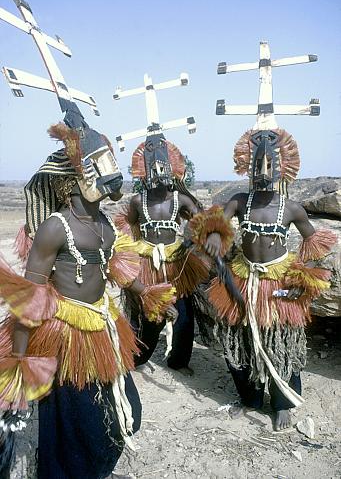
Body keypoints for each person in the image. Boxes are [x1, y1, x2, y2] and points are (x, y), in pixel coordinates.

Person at [0, 121, 175, 478]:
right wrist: (20, 363)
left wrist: (149, 296)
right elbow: (29, 298)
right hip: (64, 337)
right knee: (77, 423)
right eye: (99, 165)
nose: (112, 172)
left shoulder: (106, 225)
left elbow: (119, 273)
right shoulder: (55, 227)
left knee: (126, 413)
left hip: (103, 328)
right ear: (73, 179)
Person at [191, 128, 336, 430]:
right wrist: (216, 235)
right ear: (248, 166)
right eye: (258, 165)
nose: (264, 172)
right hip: (242, 281)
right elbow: (214, 221)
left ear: (284, 166)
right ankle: (250, 399)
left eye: (271, 165)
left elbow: (315, 246)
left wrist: (303, 277)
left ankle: (282, 402)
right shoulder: (240, 201)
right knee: (239, 341)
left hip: (277, 287)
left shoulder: (292, 208)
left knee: (281, 342)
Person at [115, 133, 226, 373]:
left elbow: (203, 222)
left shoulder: (181, 200)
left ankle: (178, 361)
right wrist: (128, 256)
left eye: (162, 166)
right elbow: (128, 228)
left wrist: (198, 240)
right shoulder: (137, 201)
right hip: (147, 264)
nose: (157, 171)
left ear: (171, 167)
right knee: (148, 316)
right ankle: (137, 357)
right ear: (144, 170)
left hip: (176, 265)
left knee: (184, 316)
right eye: (152, 167)